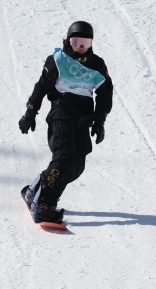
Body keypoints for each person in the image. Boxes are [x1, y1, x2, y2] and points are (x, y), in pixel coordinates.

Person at [18, 21, 113, 224]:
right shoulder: (58, 60)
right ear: (68, 41)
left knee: (76, 166)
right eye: (76, 42)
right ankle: (43, 204)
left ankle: (34, 190)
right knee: (64, 159)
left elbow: (105, 93)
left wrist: (99, 121)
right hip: (61, 112)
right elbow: (41, 88)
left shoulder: (97, 65)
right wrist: (29, 114)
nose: (81, 47)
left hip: (83, 116)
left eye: (85, 42)